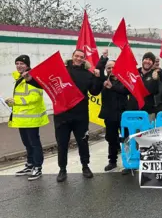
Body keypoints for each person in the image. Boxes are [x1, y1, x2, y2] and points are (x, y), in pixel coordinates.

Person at [24, 49, 104, 182]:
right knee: (62, 144)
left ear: (84, 59)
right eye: (76, 56)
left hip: (81, 115)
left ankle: (85, 166)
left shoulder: (87, 74)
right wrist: (30, 80)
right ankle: (62, 169)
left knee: (83, 142)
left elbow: (95, 92)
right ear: (72, 56)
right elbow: (46, 82)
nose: (78, 58)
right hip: (62, 115)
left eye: (81, 57)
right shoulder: (62, 70)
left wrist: (98, 77)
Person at [6, 55, 49, 181]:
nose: (19, 66)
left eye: (22, 64)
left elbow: (35, 97)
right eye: (17, 63)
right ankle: (30, 165)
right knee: (27, 143)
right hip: (22, 117)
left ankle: (37, 167)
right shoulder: (19, 77)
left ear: (27, 65)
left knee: (34, 144)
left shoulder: (33, 77)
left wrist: (15, 101)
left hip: (32, 117)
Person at [98, 59, 129, 172]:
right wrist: (103, 59)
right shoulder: (104, 81)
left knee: (126, 138)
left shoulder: (124, 80)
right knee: (111, 139)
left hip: (123, 114)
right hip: (110, 115)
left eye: (113, 67)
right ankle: (112, 161)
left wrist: (113, 87)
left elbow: (126, 91)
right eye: (108, 68)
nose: (111, 70)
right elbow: (98, 72)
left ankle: (128, 162)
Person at [127, 52, 159, 121]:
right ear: (142, 60)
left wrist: (155, 80)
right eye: (146, 59)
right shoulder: (134, 72)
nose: (147, 61)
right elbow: (126, 88)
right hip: (132, 111)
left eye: (150, 60)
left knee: (147, 131)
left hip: (148, 112)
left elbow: (155, 91)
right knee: (132, 131)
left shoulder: (155, 75)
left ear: (153, 63)